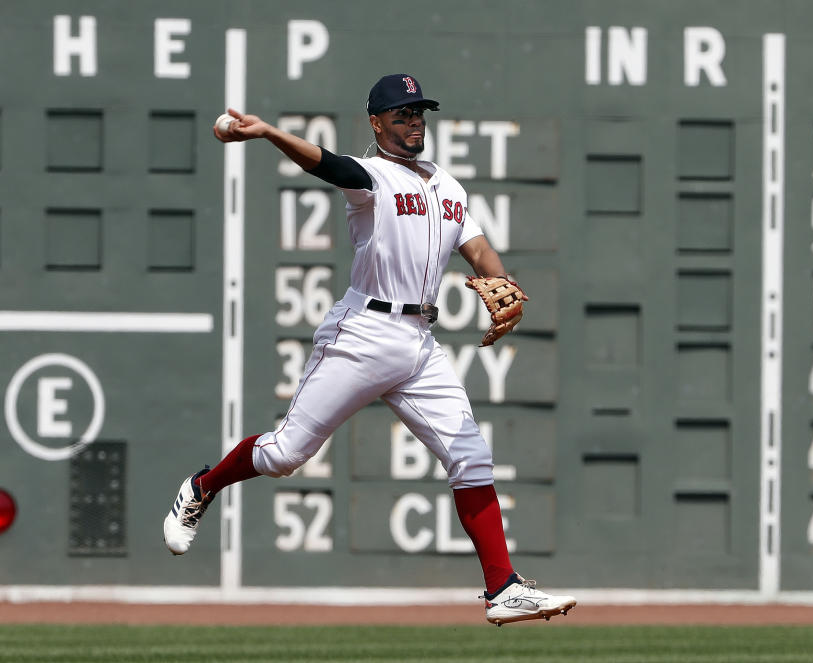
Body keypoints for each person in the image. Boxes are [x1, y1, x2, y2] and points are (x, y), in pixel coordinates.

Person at [163, 73, 576, 626]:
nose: (413, 123)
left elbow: (477, 251)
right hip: (362, 332)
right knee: (285, 455)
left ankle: (502, 588)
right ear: (377, 123)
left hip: (419, 343)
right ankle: (202, 486)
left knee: (471, 456)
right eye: (402, 115)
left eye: (419, 114)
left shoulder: (449, 187)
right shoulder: (372, 176)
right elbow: (327, 164)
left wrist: (502, 287)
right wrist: (268, 133)